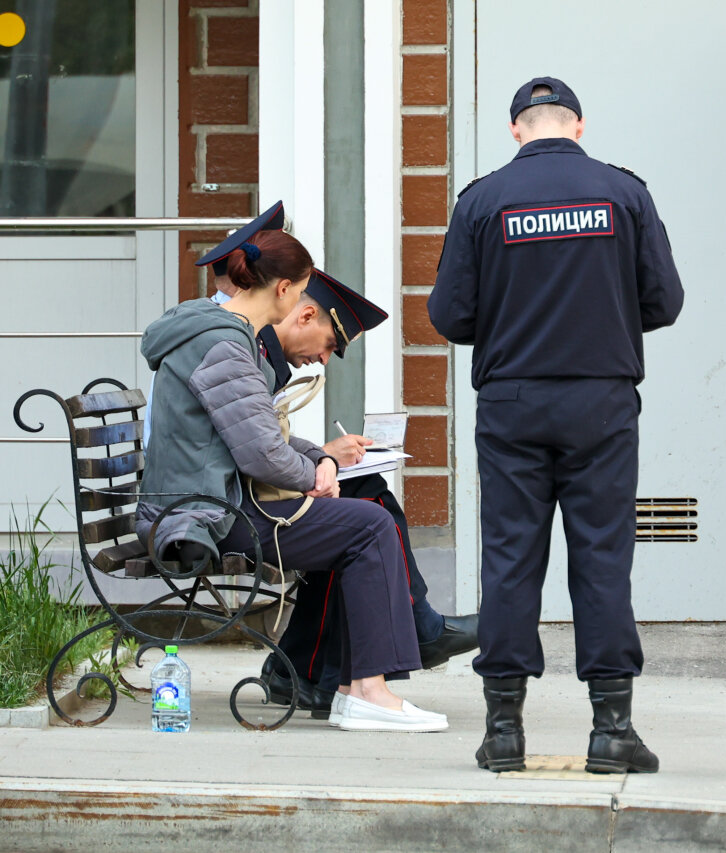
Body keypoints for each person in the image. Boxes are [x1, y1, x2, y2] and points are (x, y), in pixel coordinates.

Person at [429, 77, 684, 773]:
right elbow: (665, 301)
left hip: (512, 403)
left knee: (510, 559)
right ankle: (611, 730)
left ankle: (503, 731)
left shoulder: (482, 201)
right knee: (603, 557)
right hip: (601, 402)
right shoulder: (624, 194)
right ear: (577, 125)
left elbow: (450, 317)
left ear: (517, 129)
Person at [139, 214, 446, 733]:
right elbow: (262, 454)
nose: (303, 300)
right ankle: (367, 692)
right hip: (203, 516)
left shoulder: (225, 336)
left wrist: (320, 460)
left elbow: (264, 434)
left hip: (208, 504)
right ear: (283, 289)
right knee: (368, 527)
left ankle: (353, 689)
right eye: (302, 290)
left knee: (360, 521)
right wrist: (315, 475)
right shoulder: (225, 344)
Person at [243, 269, 480, 719]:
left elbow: (258, 442)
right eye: (331, 344)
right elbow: (254, 451)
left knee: (366, 491)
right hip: (226, 510)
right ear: (304, 311)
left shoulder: (251, 349)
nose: (325, 359)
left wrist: (323, 458)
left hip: (231, 500)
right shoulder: (240, 350)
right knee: (363, 516)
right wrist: (319, 466)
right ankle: (404, 635)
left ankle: (303, 668)